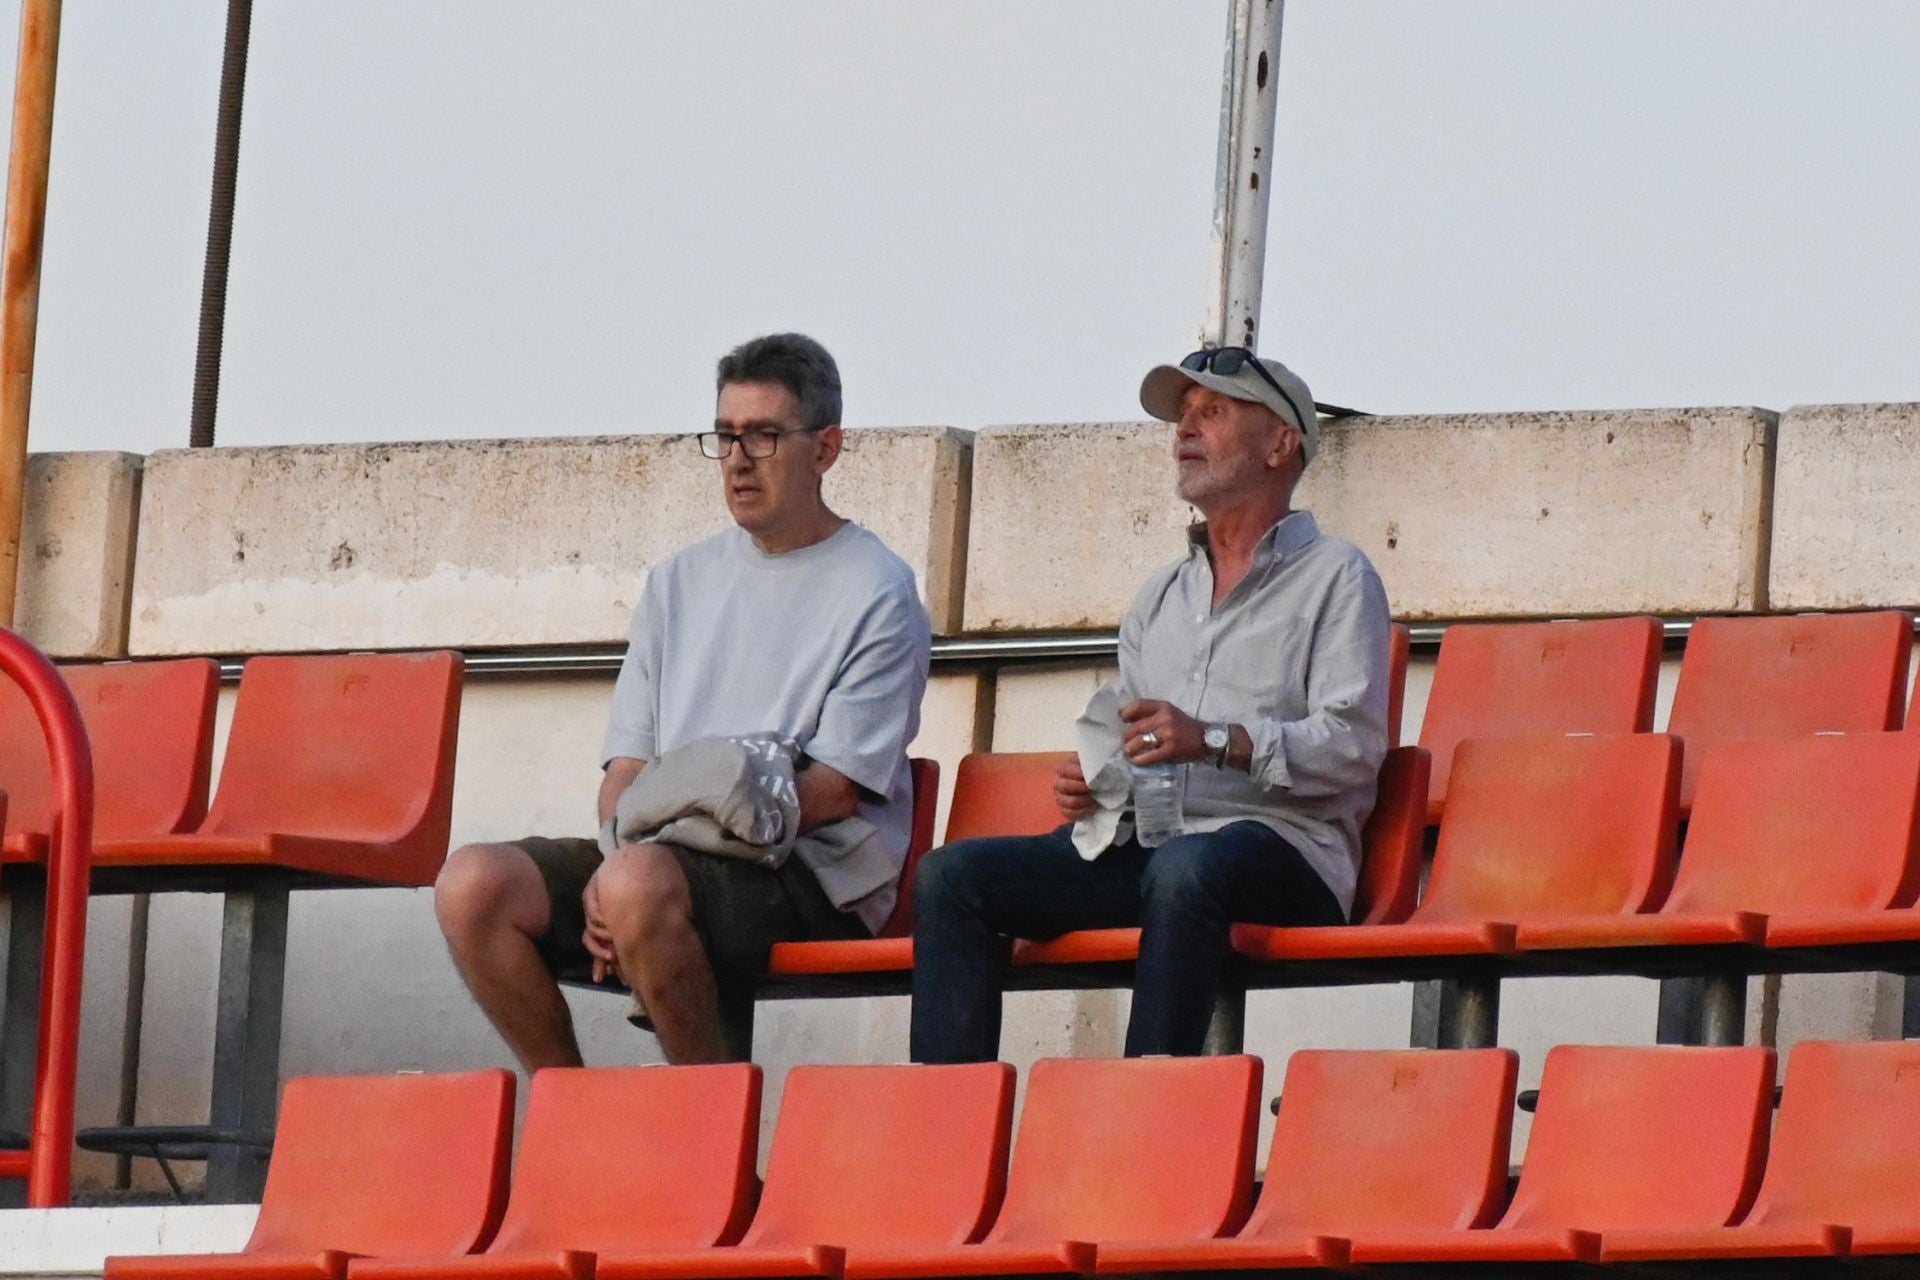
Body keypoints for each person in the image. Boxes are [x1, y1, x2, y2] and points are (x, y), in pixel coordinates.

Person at [435, 333, 931, 1066]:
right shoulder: (677, 583)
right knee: (472, 884)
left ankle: (704, 1139)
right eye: (726, 436)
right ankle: (578, 1118)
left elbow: (829, 795)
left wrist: (632, 873)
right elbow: (623, 778)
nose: (738, 460)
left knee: (639, 884)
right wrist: (616, 867)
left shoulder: (878, 590)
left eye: (765, 436)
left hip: (810, 877)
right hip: (654, 862)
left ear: (825, 448)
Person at [911, 347, 1391, 1061]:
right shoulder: (1162, 596)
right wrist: (1098, 785)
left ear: (1282, 443)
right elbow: (1132, 747)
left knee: (1186, 868)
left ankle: (1146, 1113)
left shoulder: (1338, 577)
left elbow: (1352, 749)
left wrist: (1215, 740)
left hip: (1287, 853)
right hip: (1160, 850)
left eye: (1214, 412)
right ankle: (943, 1133)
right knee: (953, 877)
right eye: (1183, 415)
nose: (1185, 430)